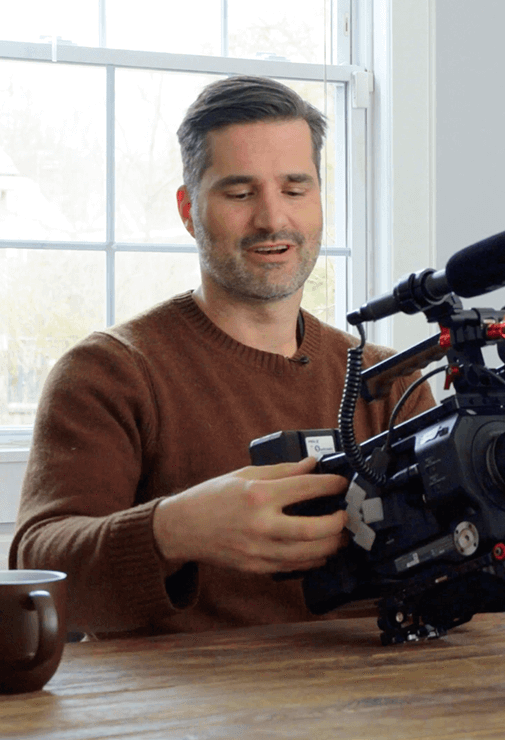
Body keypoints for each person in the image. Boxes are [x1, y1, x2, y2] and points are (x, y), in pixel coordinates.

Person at [9, 76, 434, 637]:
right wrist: (175, 529)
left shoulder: (390, 379)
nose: (272, 219)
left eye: (295, 189)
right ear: (188, 210)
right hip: (183, 696)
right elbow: (37, 571)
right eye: (239, 193)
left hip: (386, 688)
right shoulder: (108, 372)